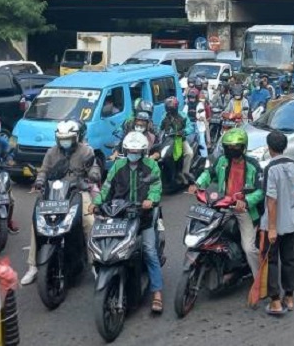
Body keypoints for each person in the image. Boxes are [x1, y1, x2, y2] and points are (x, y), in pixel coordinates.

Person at [21, 119, 99, 286]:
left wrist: (92, 176)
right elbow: (43, 171)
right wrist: (40, 181)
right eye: (62, 138)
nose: (65, 141)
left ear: (76, 137)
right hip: (54, 192)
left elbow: (94, 169)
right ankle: (33, 266)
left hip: (77, 192)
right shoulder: (51, 152)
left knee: (89, 222)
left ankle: (96, 263)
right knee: (37, 223)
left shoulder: (86, 151)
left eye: (68, 138)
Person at [93, 131, 164, 313]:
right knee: (104, 246)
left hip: (143, 218)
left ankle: (157, 292)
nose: (133, 153)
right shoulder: (118, 165)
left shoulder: (151, 166)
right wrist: (97, 203)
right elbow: (107, 186)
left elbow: (156, 186)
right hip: (119, 216)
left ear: (142, 152)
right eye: (130, 150)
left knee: (149, 250)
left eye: (137, 151)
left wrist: (151, 199)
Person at [190, 128, 263, 277]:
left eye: (235, 147)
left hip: (243, 210)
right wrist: (197, 184)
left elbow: (261, 191)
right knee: (205, 234)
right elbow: (209, 174)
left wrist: (246, 201)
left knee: (249, 248)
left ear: (243, 147)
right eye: (228, 147)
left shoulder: (252, 165)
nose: (232, 150)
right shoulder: (222, 161)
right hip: (222, 205)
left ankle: (260, 282)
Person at [260, 131, 294, 315]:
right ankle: (289, 298)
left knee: (272, 260)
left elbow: (271, 200)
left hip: (274, 224)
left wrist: (272, 228)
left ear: (269, 148)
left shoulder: (270, 168)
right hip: (290, 222)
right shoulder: (293, 165)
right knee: (289, 259)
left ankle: (275, 301)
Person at [159, 96, 194, 184]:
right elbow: (160, 128)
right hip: (168, 141)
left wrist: (184, 131)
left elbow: (190, 127)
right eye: (168, 108)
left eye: (171, 108)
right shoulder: (164, 116)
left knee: (189, 153)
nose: (169, 111)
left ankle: (184, 173)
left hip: (180, 140)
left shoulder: (183, 115)